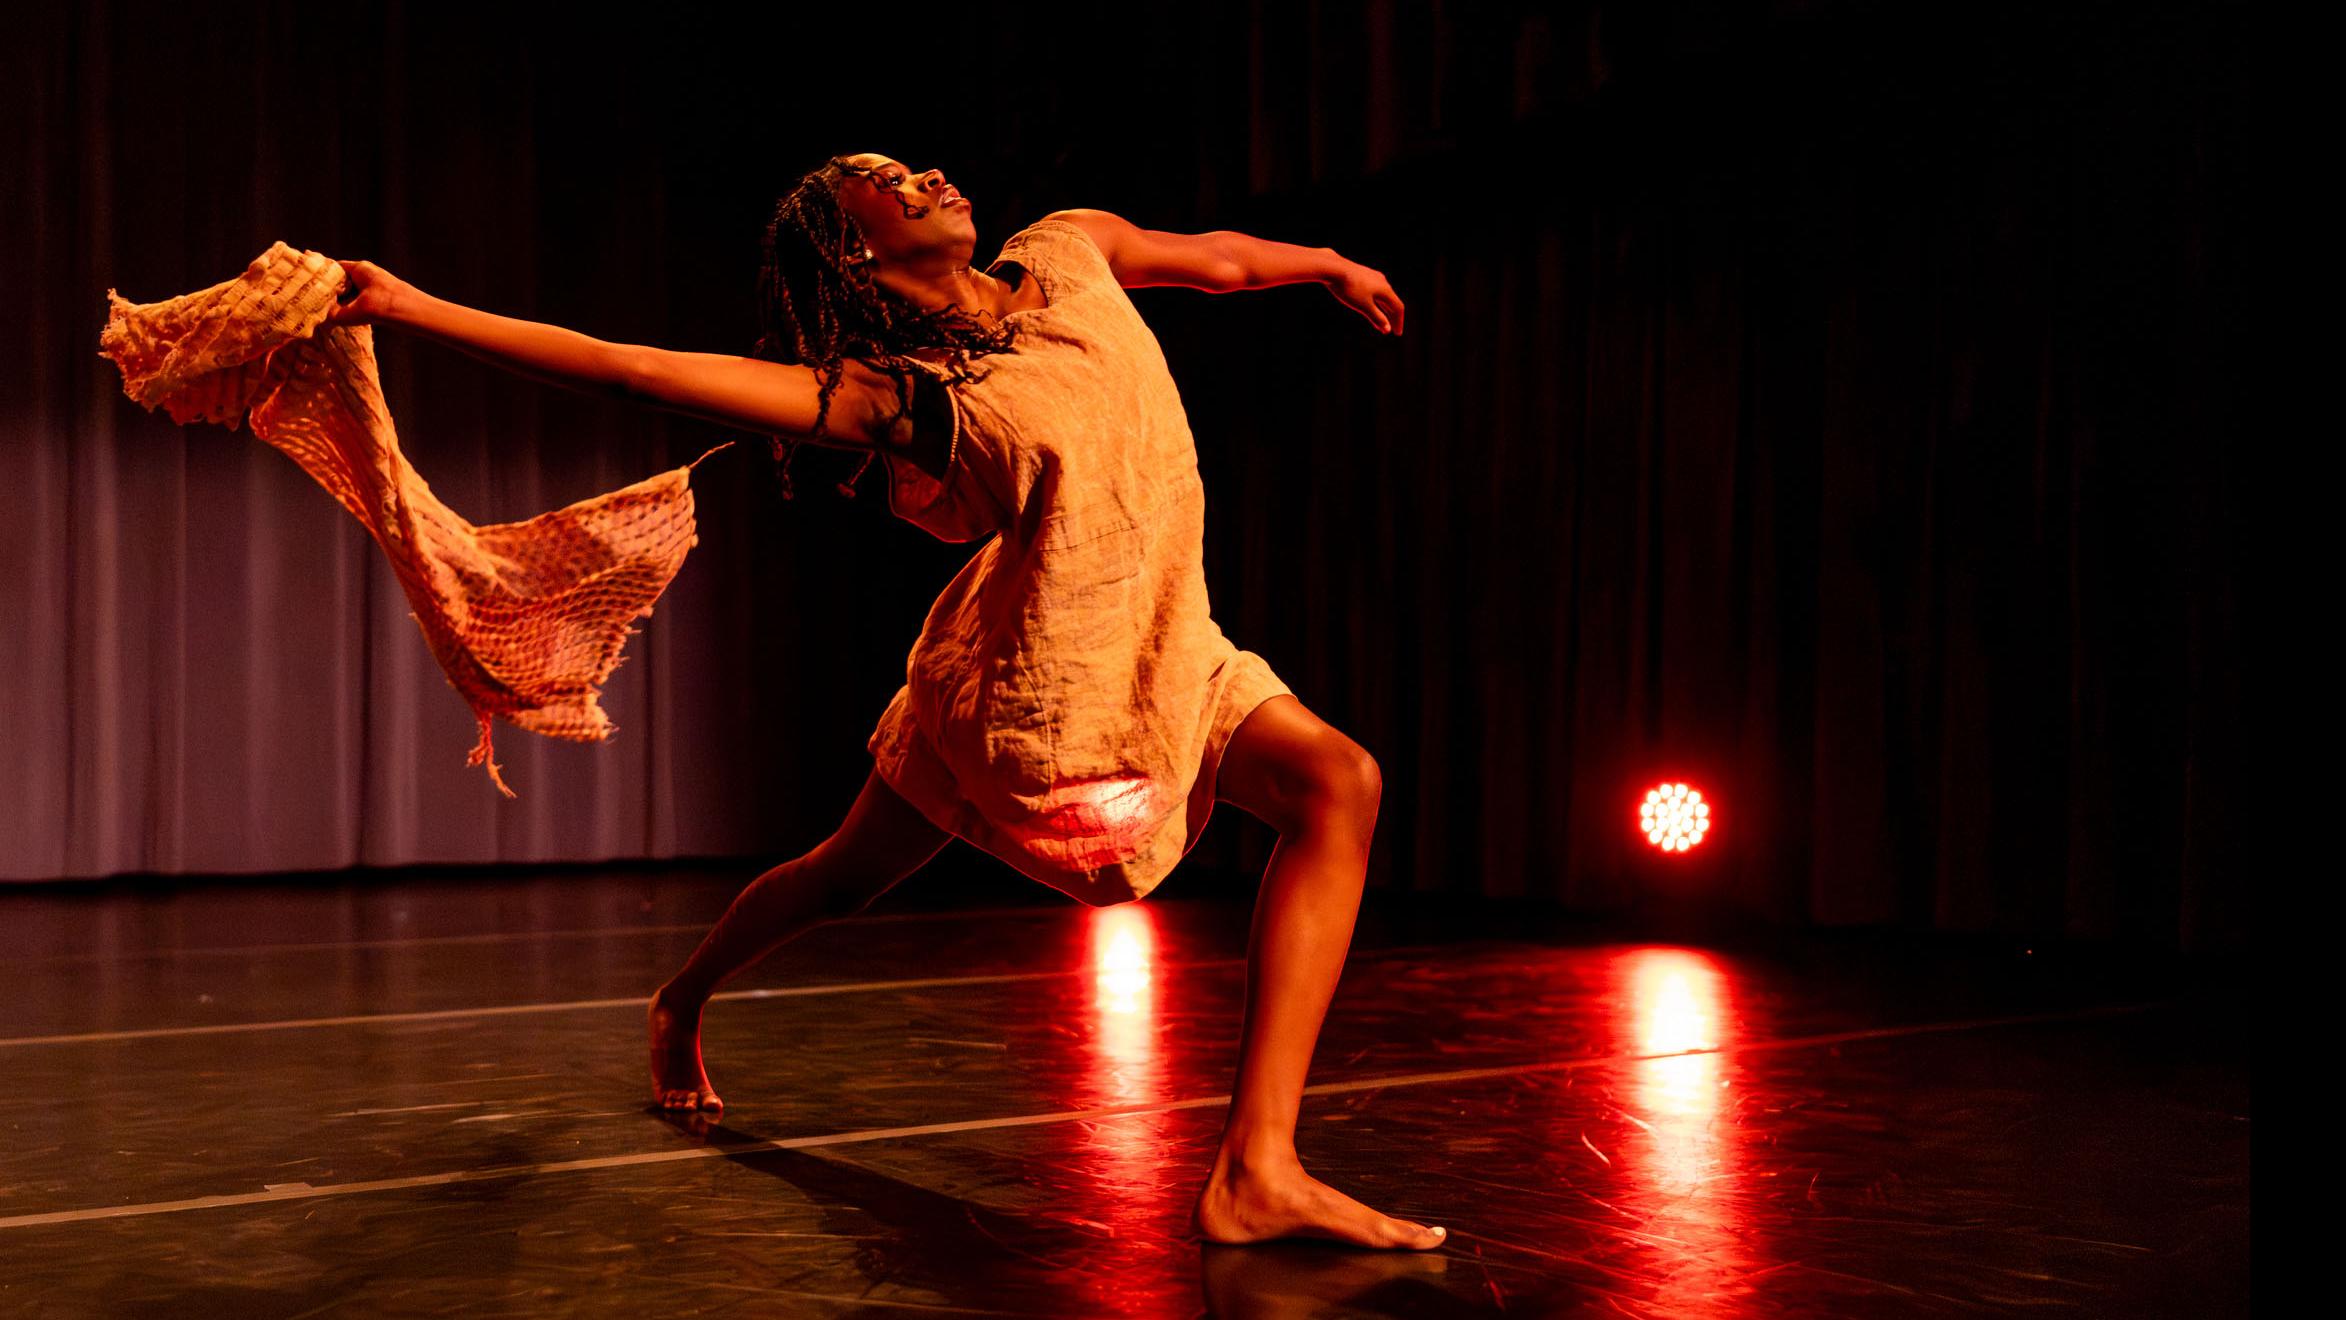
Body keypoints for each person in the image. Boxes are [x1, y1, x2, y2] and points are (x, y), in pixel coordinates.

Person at [326, 152, 1438, 1250]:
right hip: (1034, 687)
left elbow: (1220, 263)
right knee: (838, 881)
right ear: (859, 245)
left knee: (1338, 783)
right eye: (890, 182)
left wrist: (1327, 262)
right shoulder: (902, 400)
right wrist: (413, 305)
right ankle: (683, 999)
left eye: (918, 166)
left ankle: (1257, 1168)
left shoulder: (1069, 247)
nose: (927, 176)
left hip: (1169, 644)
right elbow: (636, 370)